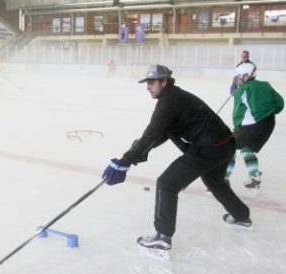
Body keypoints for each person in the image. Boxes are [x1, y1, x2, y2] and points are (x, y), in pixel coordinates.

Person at [102, 64, 252, 251]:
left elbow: (153, 133)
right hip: (225, 144)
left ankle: (162, 236)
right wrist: (139, 149)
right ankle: (241, 215)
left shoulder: (168, 102)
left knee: (167, 183)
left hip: (208, 148)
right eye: (146, 83)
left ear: (164, 81)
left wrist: (125, 159)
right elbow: (163, 132)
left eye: (151, 83)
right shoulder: (174, 96)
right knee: (215, 181)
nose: (148, 87)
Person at [225, 63, 284, 189]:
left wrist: (237, 127)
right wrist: (268, 113)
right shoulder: (266, 85)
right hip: (269, 124)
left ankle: (223, 179)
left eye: (239, 77)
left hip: (251, 126)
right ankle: (254, 177)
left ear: (244, 76)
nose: (238, 79)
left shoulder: (242, 90)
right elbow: (280, 103)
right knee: (247, 149)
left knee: (229, 147)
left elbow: (237, 113)